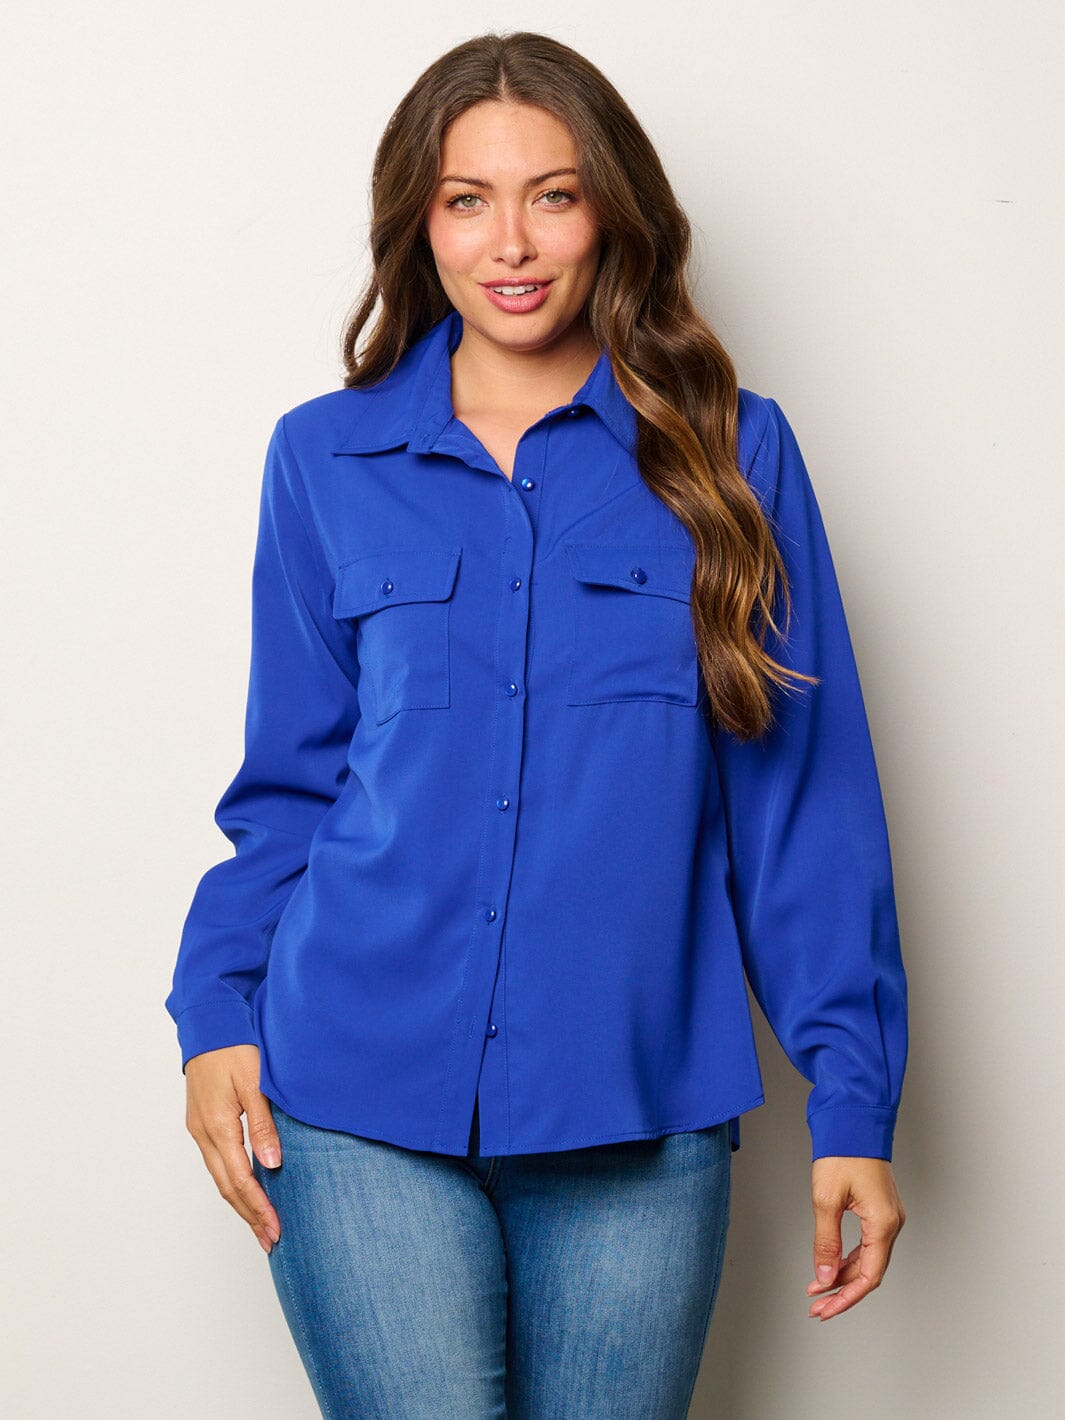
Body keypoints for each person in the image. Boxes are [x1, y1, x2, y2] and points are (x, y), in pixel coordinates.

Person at [165, 29, 908, 1420]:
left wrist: (850, 1101)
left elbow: (800, 806)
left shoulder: (732, 452)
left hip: (636, 1102)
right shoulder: (324, 456)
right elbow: (290, 791)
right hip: (349, 1088)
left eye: (552, 196)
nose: (509, 242)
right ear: (419, 223)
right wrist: (213, 1016)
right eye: (467, 200)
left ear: (611, 213)